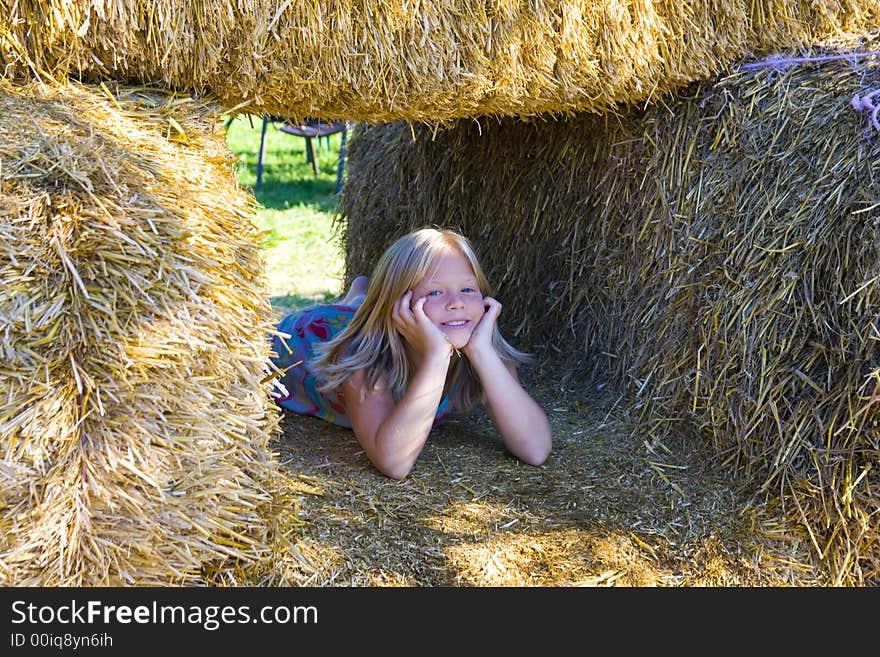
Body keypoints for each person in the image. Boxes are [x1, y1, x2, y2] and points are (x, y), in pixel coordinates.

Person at [269, 227, 552, 479]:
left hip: (376, 320)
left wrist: (481, 352)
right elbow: (394, 463)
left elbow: (535, 450)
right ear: (399, 306)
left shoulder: (484, 354)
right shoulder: (364, 362)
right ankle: (358, 298)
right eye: (435, 293)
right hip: (311, 336)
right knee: (346, 320)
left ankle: (361, 294)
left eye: (468, 288)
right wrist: (438, 356)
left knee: (360, 311)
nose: (457, 303)